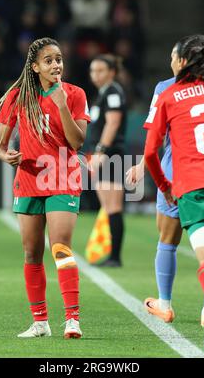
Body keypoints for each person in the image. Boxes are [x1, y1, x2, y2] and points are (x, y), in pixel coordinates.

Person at [140, 34, 204, 354]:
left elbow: (150, 153)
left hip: (191, 187)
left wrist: (164, 186)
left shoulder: (169, 94)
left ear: (182, 61)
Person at [0, 37, 91, 339]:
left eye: (59, 59)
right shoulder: (18, 96)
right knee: (31, 253)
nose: (56, 65)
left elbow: (77, 142)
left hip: (62, 176)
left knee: (60, 246)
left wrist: (61, 105)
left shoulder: (74, 94)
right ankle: (40, 322)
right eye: (49, 60)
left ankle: (72, 320)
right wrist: (6, 155)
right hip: (29, 178)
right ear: (35, 66)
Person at [126, 77, 180, 323]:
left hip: (175, 172)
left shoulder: (165, 87)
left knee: (167, 240)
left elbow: (153, 138)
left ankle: (165, 304)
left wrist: (141, 166)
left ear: (181, 60)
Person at [88, 54, 127, 267]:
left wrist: (101, 151)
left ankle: (115, 257)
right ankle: (111, 253)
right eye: (93, 70)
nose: (95, 75)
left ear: (111, 72)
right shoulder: (102, 94)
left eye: (100, 70)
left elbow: (112, 123)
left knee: (113, 206)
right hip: (106, 155)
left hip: (113, 155)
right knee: (107, 204)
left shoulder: (113, 92)